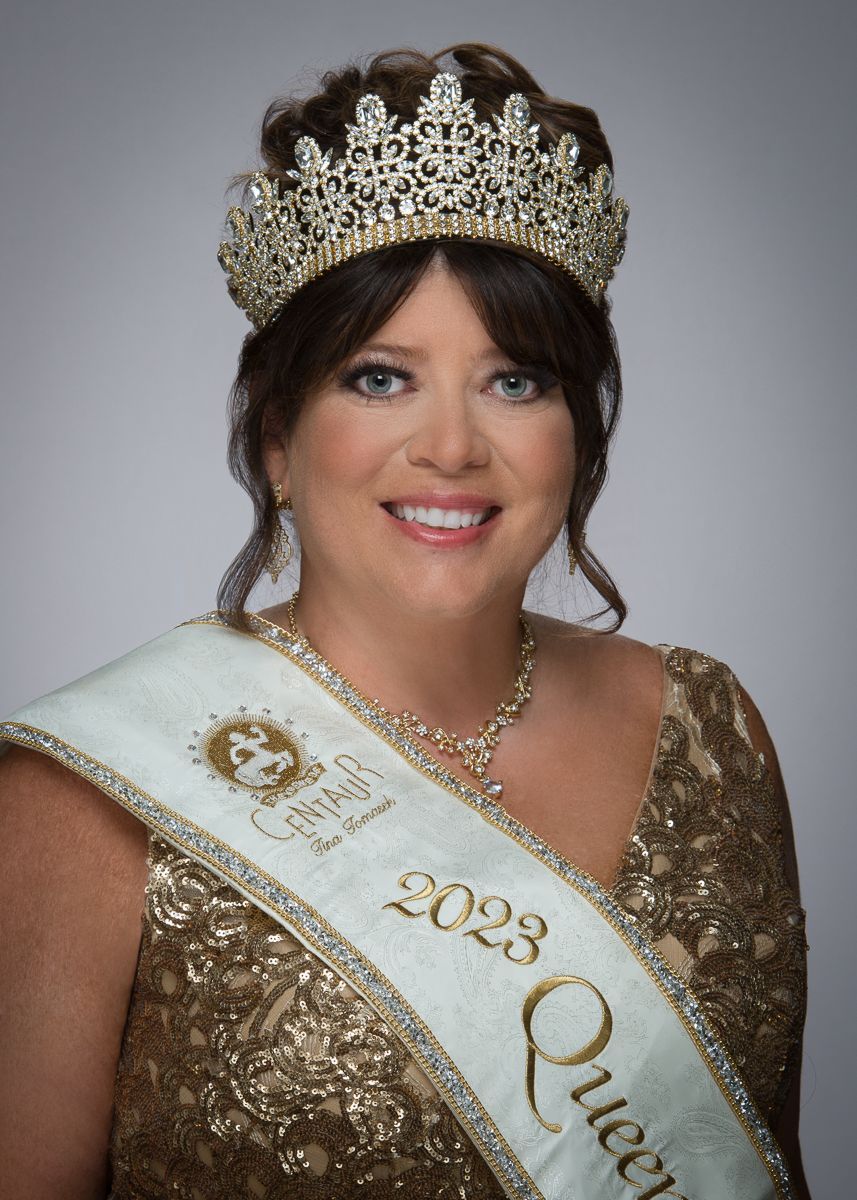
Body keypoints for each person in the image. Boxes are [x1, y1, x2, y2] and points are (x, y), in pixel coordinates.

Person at [0, 42, 810, 1200]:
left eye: (514, 380)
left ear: (576, 434)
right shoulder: (83, 800)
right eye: (379, 377)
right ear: (276, 440)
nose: (450, 447)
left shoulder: (711, 731)